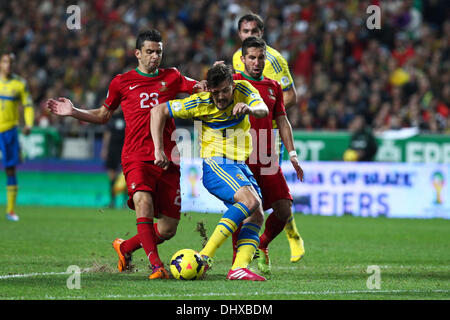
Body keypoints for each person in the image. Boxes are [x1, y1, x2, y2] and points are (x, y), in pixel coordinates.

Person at [45, 29, 206, 279]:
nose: (154, 57)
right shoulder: (122, 81)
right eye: (150, 52)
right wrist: (74, 111)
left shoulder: (171, 76)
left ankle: (126, 247)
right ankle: (156, 266)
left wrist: (206, 83)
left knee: (167, 228)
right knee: (143, 201)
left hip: (168, 159)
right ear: (138, 53)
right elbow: (103, 114)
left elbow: (197, 87)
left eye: (158, 52)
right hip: (137, 156)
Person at [151, 64, 269, 281]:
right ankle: (204, 256)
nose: (221, 97)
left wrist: (249, 108)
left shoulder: (244, 89)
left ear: (233, 85)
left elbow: (263, 108)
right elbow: (158, 111)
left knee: (257, 213)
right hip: (217, 164)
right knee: (250, 201)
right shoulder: (201, 102)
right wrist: (158, 149)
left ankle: (239, 268)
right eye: (215, 92)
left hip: (239, 165)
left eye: (225, 91)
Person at [232, 13, 304, 263]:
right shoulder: (235, 75)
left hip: (267, 146)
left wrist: (292, 153)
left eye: (260, 57)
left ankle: (262, 244)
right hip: (241, 149)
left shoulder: (274, 74)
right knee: (249, 207)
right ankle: (238, 260)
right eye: (245, 31)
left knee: (282, 206)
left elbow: (288, 106)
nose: (256, 61)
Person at [0, 52, 34, 222]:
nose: (8, 65)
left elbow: (28, 105)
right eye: (5, 62)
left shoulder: (20, 84)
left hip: (9, 130)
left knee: (10, 169)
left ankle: (10, 210)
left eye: (11, 63)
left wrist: (28, 123)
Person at [101, 108, 125, 208]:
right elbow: (107, 134)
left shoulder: (126, 115)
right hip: (112, 149)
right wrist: (105, 149)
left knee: (126, 177)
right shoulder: (110, 117)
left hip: (124, 149)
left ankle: (125, 202)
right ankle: (112, 201)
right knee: (112, 176)